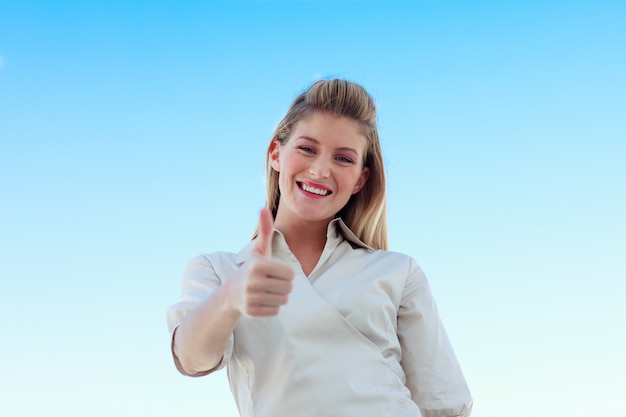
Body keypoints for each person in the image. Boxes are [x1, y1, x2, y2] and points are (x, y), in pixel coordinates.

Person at [166, 78, 473, 417]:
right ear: (276, 154)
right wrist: (230, 296)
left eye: (343, 159)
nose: (320, 170)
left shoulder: (399, 272)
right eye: (307, 149)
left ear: (360, 179)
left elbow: (444, 402)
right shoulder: (217, 270)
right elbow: (192, 358)